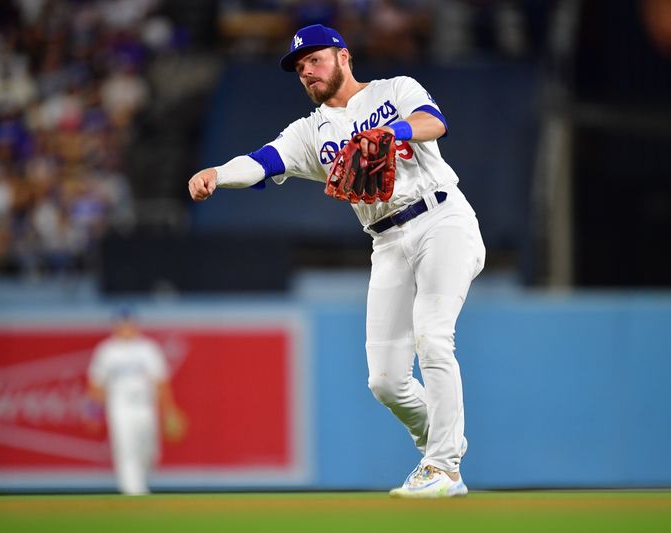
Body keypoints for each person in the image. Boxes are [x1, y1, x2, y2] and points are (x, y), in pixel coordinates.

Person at [188, 24, 485, 498]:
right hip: (386, 242)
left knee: (433, 336)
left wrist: (392, 131)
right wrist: (217, 174)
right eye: (300, 67)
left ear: (343, 56)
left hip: (442, 218)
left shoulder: (396, 89)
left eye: (315, 59)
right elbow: (263, 160)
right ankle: (443, 442)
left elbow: (435, 122)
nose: (307, 70)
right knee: (385, 380)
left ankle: (444, 467)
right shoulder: (311, 132)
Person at [86, 308, 187, 495]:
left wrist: (169, 411)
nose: (125, 328)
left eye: (128, 324)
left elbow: (160, 382)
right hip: (120, 405)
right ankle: (133, 492)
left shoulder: (147, 349)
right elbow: (96, 384)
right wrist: (93, 412)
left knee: (149, 452)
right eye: (121, 324)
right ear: (115, 326)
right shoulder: (107, 351)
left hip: (145, 405)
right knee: (125, 448)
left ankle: (139, 482)